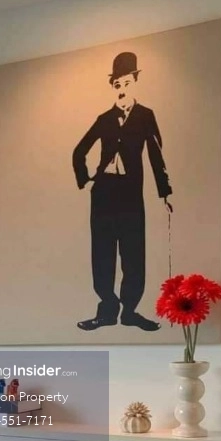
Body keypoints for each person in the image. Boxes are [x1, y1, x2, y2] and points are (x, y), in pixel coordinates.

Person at [72, 51, 173, 331]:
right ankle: (107, 310)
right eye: (117, 84)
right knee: (102, 252)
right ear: (112, 86)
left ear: (135, 82)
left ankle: (130, 311)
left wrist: (164, 192)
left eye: (127, 83)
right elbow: (79, 150)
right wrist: (85, 180)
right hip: (103, 192)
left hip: (130, 193)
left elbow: (156, 155)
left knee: (133, 252)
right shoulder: (104, 118)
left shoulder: (145, 116)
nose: (122, 88)